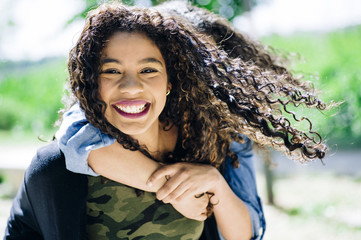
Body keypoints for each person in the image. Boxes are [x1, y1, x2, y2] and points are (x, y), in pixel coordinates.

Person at [5, 1, 329, 239]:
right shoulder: (102, 115)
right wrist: (174, 187)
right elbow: (76, 142)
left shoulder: (223, 131)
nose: (132, 84)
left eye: (150, 68)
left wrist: (214, 182)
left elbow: (246, 231)